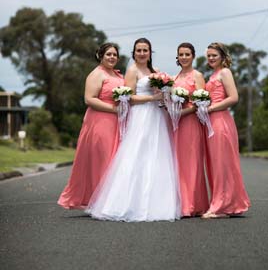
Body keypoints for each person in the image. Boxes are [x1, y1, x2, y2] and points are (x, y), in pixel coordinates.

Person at [86, 37, 181, 222]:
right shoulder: (132, 70)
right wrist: (153, 99)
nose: (142, 53)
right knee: (136, 154)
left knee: (157, 155)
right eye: (139, 50)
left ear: (150, 52)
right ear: (134, 53)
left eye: (145, 50)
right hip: (141, 115)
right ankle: (124, 203)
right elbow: (130, 98)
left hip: (157, 118)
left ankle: (158, 204)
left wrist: (165, 97)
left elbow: (163, 94)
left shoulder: (156, 71)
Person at [58, 43, 124, 210]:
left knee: (115, 160)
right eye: (108, 54)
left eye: (114, 54)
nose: (112, 57)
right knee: (103, 161)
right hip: (100, 121)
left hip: (118, 122)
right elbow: (90, 99)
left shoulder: (117, 74)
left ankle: (111, 200)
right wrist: (114, 109)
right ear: (100, 56)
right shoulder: (96, 74)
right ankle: (99, 202)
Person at [202, 42, 251, 219]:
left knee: (222, 163)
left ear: (223, 56)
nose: (211, 58)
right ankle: (226, 203)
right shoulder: (213, 74)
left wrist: (210, 108)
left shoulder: (225, 72)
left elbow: (234, 98)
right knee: (216, 164)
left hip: (221, 121)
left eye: (214, 55)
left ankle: (221, 207)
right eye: (208, 55)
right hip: (211, 121)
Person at [173, 42, 209, 216]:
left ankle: (193, 204)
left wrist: (182, 113)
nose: (184, 57)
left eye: (187, 54)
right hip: (175, 125)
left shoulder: (198, 76)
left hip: (191, 123)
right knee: (178, 162)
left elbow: (200, 104)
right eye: (181, 54)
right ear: (177, 57)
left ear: (193, 56)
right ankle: (180, 203)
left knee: (192, 162)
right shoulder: (174, 78)